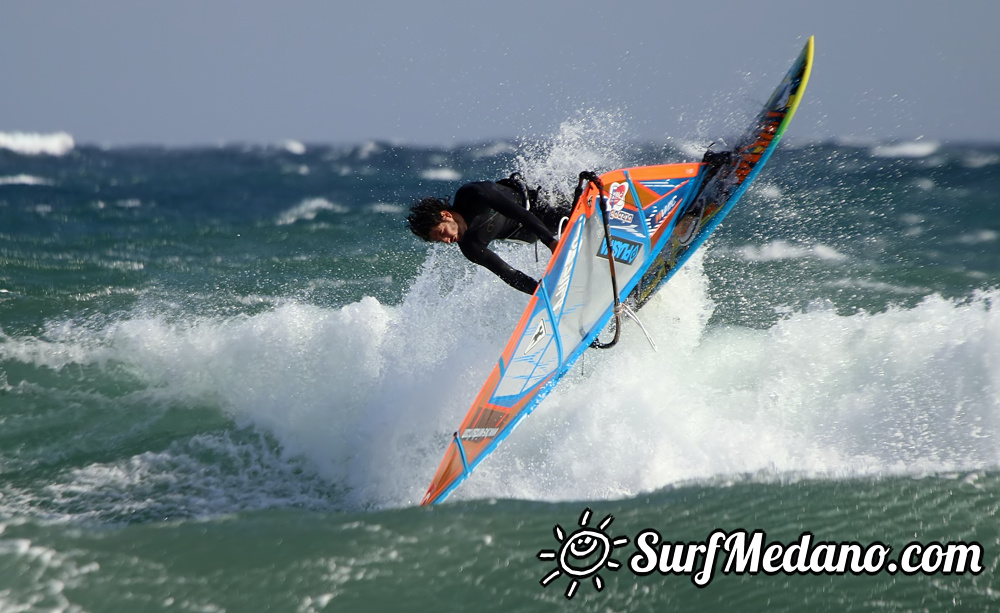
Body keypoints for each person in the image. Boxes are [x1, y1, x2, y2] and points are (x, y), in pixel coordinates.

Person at [407, 174, 572, 295]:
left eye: (442, 232)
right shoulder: (470, 247)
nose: (447, 241)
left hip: (536, 206)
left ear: (446, 215)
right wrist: (539, 291)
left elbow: (519, 213)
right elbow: (508, 273)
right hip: (528, 233)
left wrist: (551, 243)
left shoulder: (471, 195)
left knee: (565, 213)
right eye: (441, 241)